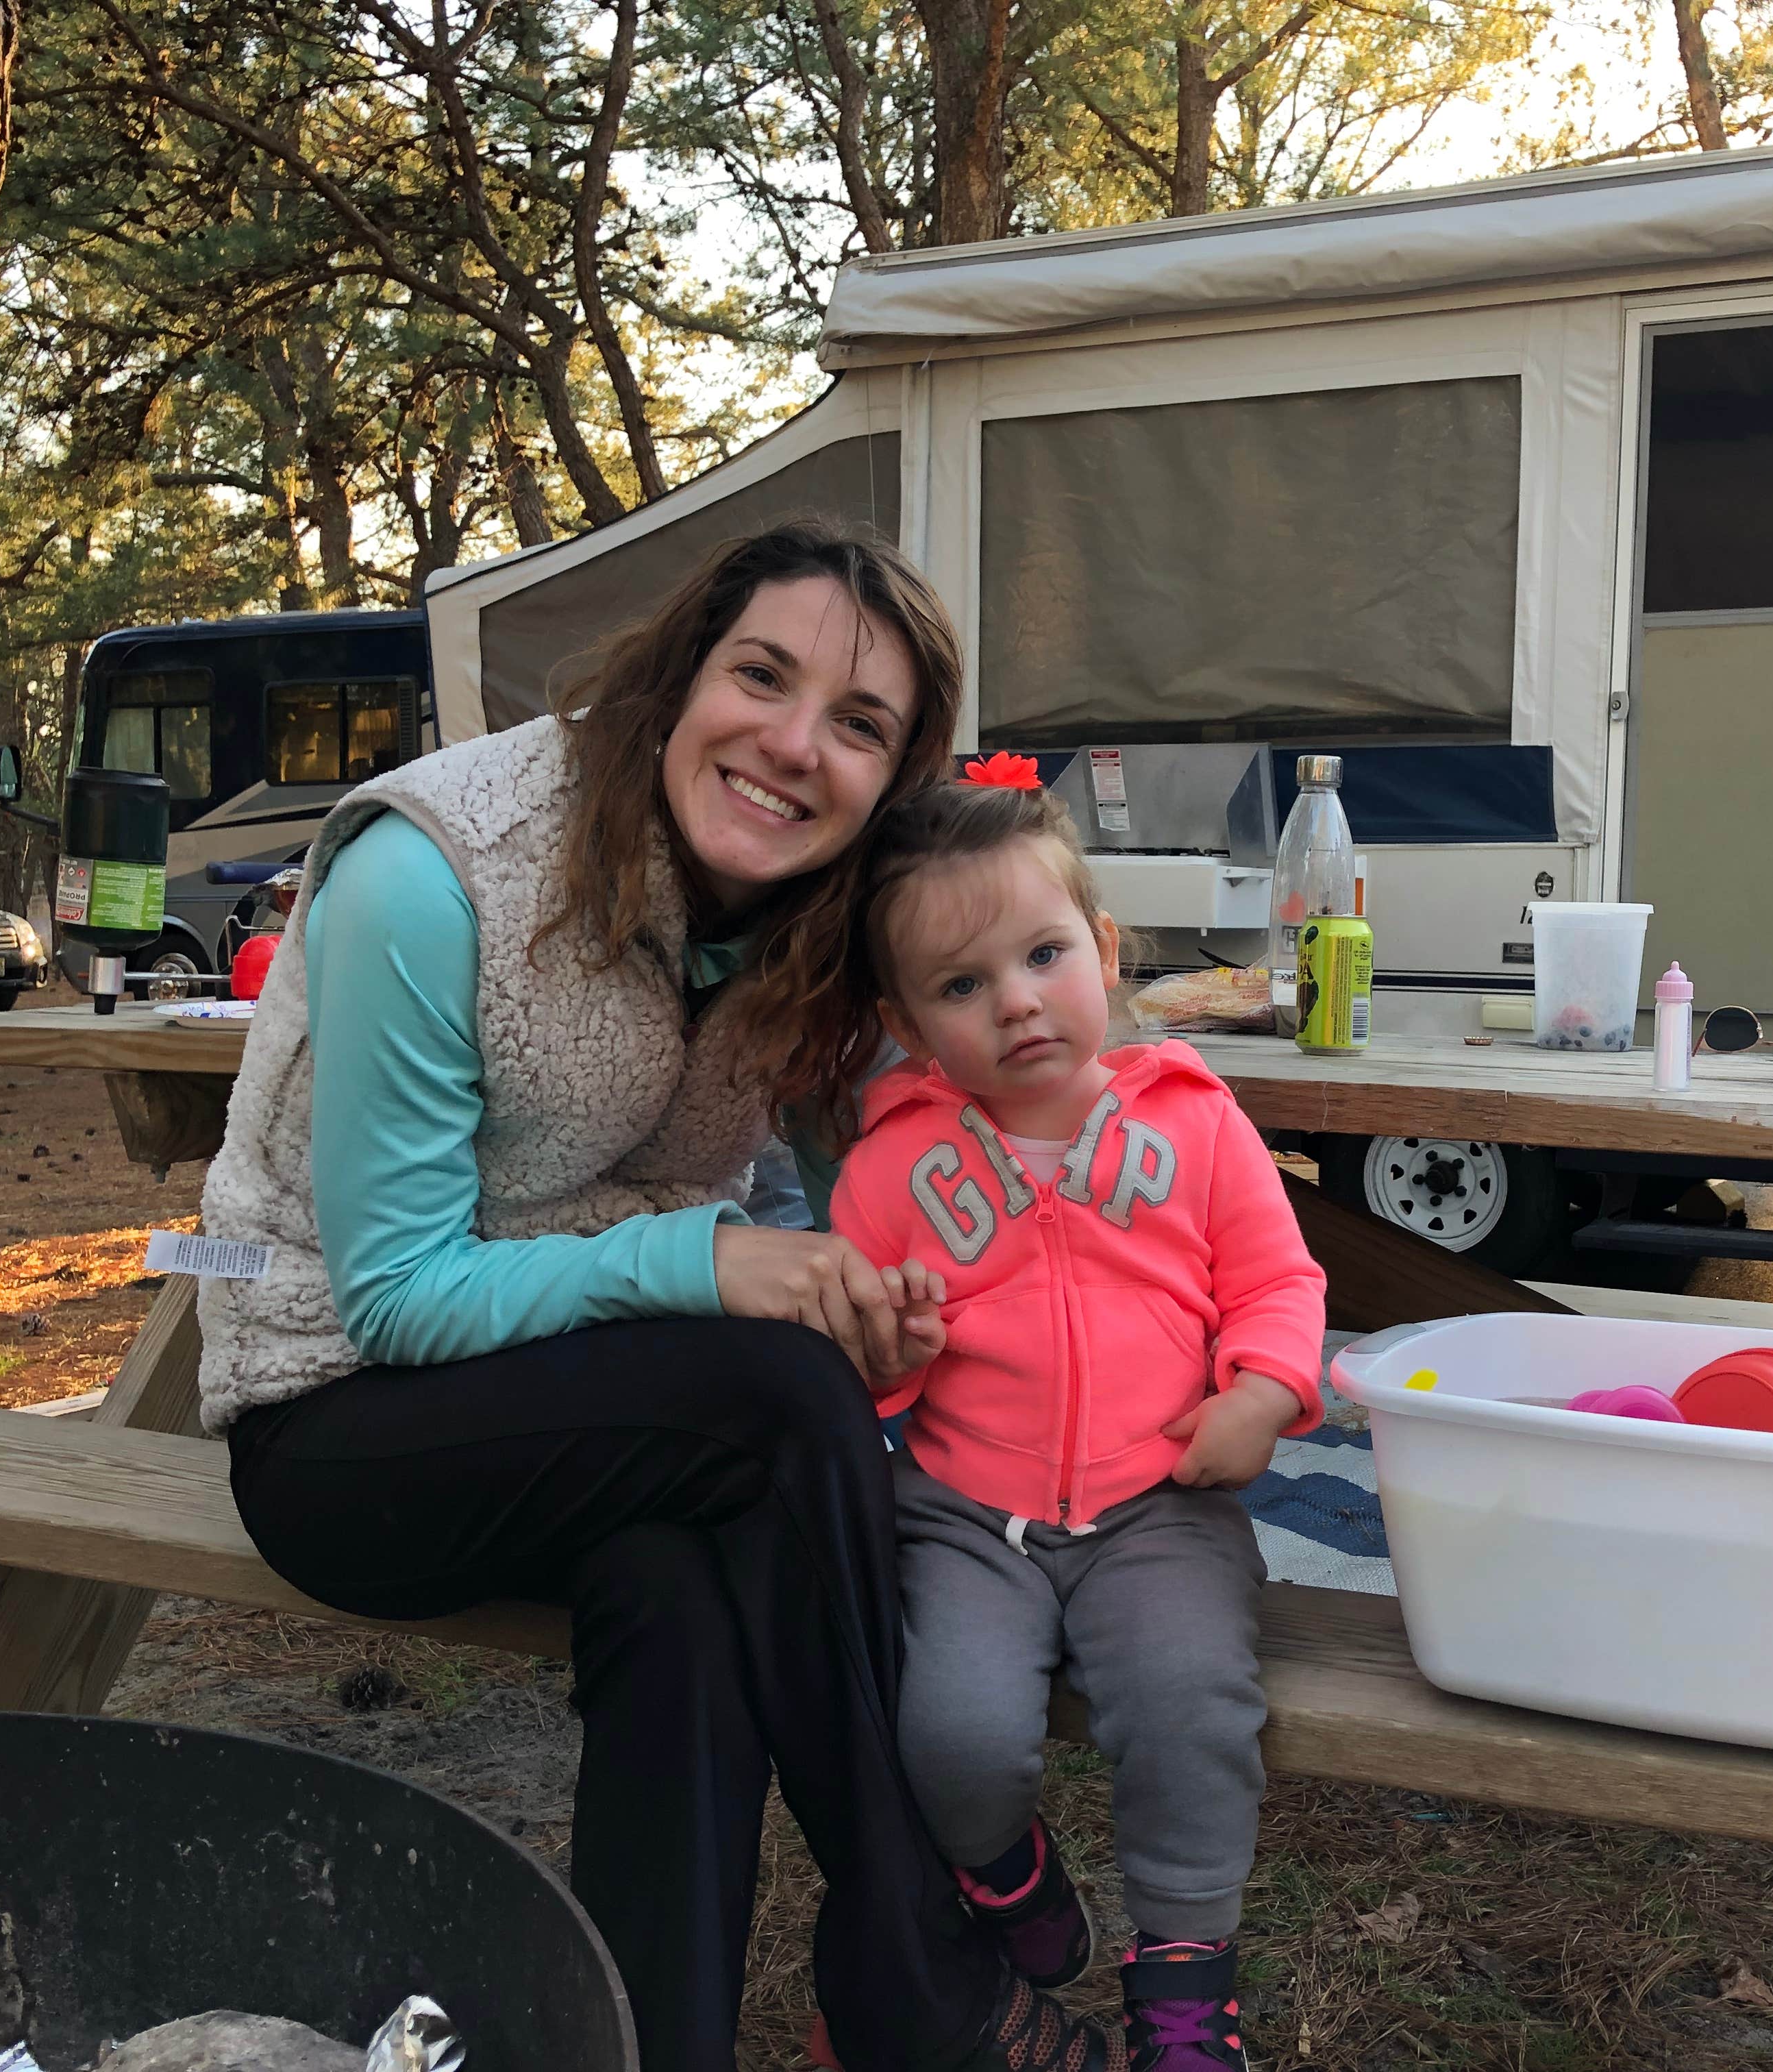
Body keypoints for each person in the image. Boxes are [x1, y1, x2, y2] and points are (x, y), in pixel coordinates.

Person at [195, 525, 1115, 2072]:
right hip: (338, 1418)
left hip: (604, 1422)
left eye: (858, 723)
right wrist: (707, 1264)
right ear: (681, 671)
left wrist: (881, 1294)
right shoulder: (435, 877)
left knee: (684, 1598)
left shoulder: (810, 912)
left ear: (893, 780)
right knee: (777, 1403)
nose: (794, 745)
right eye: (763, 676)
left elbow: (875, 1165)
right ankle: (914, 1965)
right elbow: (398, 1297)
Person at [827, 764, 1329, 2072]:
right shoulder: (889, 1170)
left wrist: (1263, 1392)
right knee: (948, 1730)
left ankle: (1184, 1983)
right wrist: (891, 1353)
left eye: (1044, 955)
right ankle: (1004, 1872)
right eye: (962, 985)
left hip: (1162, 1504)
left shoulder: (1198, 1124)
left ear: (1103, 950)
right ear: (905, 1022)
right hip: (962, 1515)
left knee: (1192, 1709)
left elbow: (1277, 1281)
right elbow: (853, 1373)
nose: (1017, 1001)